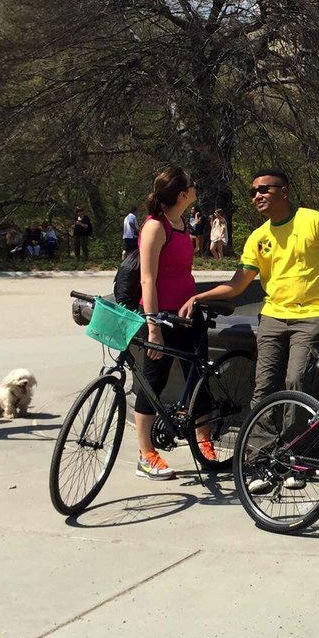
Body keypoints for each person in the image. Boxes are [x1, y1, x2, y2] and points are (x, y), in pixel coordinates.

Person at [180, 168, 319, 407]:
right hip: (272, 318)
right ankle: (261, 445)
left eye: (263, 189)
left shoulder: (315, 221)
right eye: (253, 192)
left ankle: (295, 444)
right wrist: (199, 296)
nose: (256, 196)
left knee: (297, 381)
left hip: (312, 317)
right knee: (263, 388)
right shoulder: (258, 237)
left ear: (284, 192)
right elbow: (237, 284)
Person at [133, 167, 201, 480]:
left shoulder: (183, 223)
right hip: (161, 315)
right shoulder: (155, 227)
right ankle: (146, 454)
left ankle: (204, 440)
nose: (195, 187)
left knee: (198, 374)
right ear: (182, 193)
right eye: (191, 184)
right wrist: (153, 326)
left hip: (188, 312)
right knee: (152, 381)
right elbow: (148, 279)